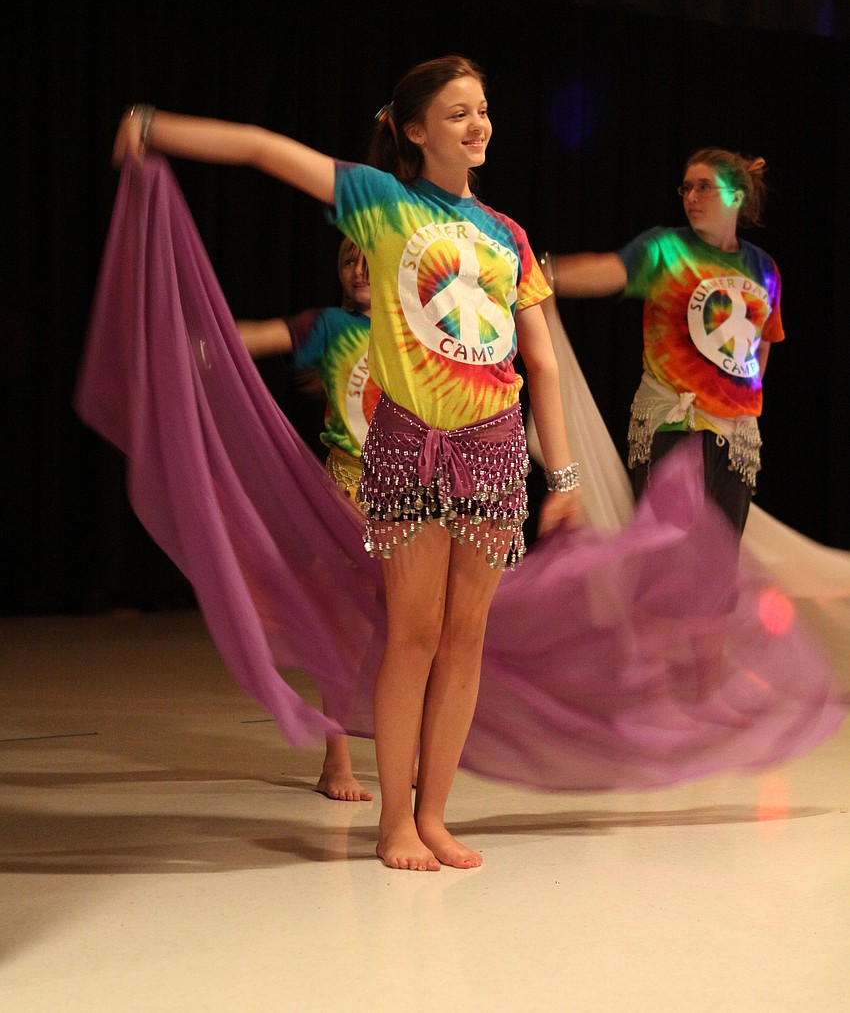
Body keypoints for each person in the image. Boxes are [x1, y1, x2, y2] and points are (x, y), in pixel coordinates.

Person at [113, 57, 582, 872]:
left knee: (465, 639)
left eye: (483, 111)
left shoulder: (509, 234)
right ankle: (393, 820)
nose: (477, 126)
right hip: (407, 446)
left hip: (496, 449)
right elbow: (263, 148)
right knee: (414, 634)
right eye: (457, 113)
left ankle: (434, 814)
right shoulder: (380, 200)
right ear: (413, 128)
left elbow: (539, 360)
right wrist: (156, 128)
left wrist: (566, 477)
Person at [542, 148, 783, 716]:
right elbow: (609, 271)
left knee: (717, 568)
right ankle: (647, 690)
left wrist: (745, 404)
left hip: (737, 437)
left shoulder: (763, 267)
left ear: (736, 197)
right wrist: (542, 272)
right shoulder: (665, 248)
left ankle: (707, 693)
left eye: (703, 187)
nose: (691, 198)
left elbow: (763, 339)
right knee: (662, 564)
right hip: (672, 424)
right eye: (685, 188)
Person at [237, 237, 376, 802]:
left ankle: (407, 750)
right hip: (347, 492)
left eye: (371, 257)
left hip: (414, 498)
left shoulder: (424, 326)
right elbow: (255, 336)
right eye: (347, 259)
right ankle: (336, 759)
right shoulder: (329, 326)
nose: (359, 268)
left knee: (414, 632)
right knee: (345, 632)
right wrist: (189, 334)